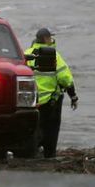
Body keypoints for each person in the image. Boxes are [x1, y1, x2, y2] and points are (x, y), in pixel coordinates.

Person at [25, 27, 78, 158]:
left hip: (29, 102)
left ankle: (30, 153)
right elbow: (65, 79)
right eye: (50, 37)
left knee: (31, 130)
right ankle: (49, 155)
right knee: (51, 131)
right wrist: (73, 96)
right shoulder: (54, 56)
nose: (52, 39)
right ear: (46, 39)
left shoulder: (26, 54)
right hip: (51, 102)